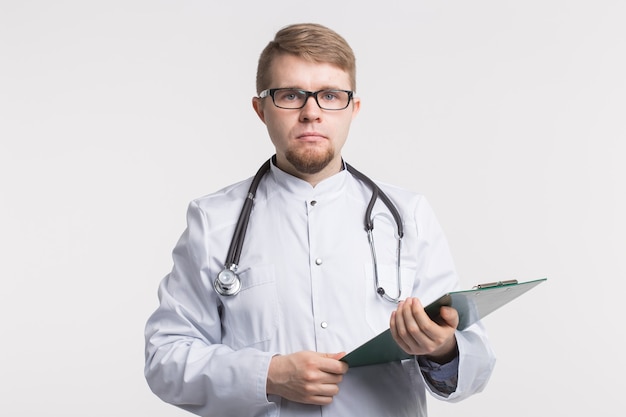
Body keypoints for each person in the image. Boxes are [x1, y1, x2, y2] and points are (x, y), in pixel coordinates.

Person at [144, 23, 496, 417]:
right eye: (291, 95)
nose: (311, 113)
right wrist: (268, 374)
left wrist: (442, 348)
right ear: (261, 109)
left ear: (353, 109)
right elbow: (165, 359)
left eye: (330, 95)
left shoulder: (407, 215)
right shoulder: (213, 220)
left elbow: (476, 358)